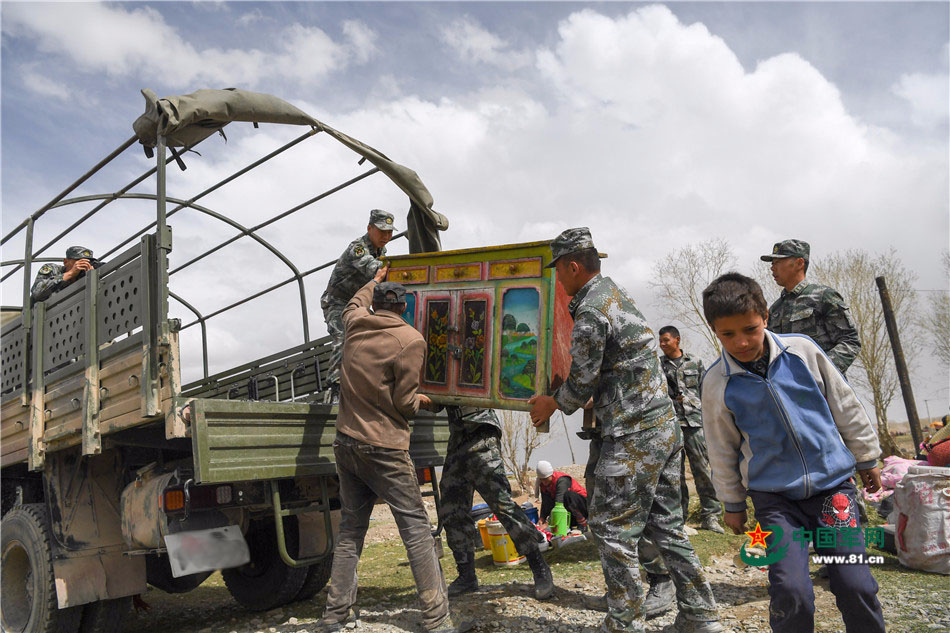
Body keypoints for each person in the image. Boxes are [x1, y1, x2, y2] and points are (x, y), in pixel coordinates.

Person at [528, 227, 721, 633]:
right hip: (664, 429)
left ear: (573, 266)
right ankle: (701, 615)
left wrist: (552, 403)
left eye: (560, 272)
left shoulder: (591, 311)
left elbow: (581, 383)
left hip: (634, 437)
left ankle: (624, 622)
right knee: (666, 525)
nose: (559, 281)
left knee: (612, 531)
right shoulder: (616, 294)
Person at [700, 272, 885, 633]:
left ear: (765, 316)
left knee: (855, 584)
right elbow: (721, 447)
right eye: (728, 334)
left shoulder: (802, 351)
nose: (741, 342)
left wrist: (866, 456)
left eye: (750, 329)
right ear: (714, 330)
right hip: (775, 503)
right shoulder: (716, 382)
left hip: (834, 492)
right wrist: (732, 503)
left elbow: (845, 405)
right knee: (791, 589)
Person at [316, 266, 468, 633]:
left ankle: (334, 617)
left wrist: (373, 279)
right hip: (384, 447)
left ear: (377, 305)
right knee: (415, 528)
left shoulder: (354, 325)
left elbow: (353, 302)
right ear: (404, 307)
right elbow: (404, 404)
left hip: (346, 443)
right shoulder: (411, 340)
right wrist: (428, 401)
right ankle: (437, 620)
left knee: (351, 530)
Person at [438, 406, 553, 599]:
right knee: (452, 507)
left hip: (481, 429)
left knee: (501, 504)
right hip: (457, 435)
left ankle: (539, 567)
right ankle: (466, 576)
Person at [320, 209, 396, 402]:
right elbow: (374, 270)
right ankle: (335, 388)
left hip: (357, 302)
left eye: (389, 232)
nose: (386, 236)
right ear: (369, 228)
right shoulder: (358, 248)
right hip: (337, 301)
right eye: (382, 231)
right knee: (343, 335)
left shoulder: (382, 251)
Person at [657, 326, 723, 534]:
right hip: (671, 425)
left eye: (666, 340)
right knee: (675, 475)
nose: (662, 344)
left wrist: (712, 419)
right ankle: (679, 519)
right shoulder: (658, 366)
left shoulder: (695, 362)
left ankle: (710, 516)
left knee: (703, 470)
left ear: (677, 340)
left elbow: (707, 390)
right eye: (660, 341)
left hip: (695, 423)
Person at [761, 239, 861, 374]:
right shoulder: (775, 310)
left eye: (778, 262)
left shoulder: (823, 296)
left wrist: (821, 372)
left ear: (799, 263)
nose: (772, 268)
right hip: (788, 389)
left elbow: (850, 341)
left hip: (824, 389)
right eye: (772, 263)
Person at [30, 246, 101, 303]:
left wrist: (91, 278)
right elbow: (37, 293)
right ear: (65, 262)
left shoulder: (84, 276)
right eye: (80, 261)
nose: (84, 264)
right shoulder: (53, 269)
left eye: (88, 262)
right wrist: (71, 273)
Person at [535, 460, 588, 531]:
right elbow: (545, 502)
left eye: (546, 479)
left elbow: (559, 502)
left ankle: (582, 523)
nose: (544, 482)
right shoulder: (543, 485)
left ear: (551, 475)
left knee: (568, 496)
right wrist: (542, 518)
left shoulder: (562, 480)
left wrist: (547, 523)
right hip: (569, 512)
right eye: (541, 480)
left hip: (582, 507)